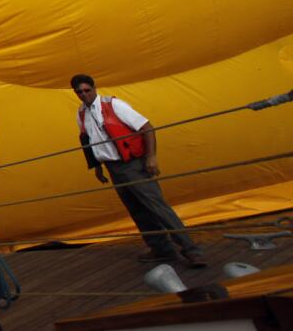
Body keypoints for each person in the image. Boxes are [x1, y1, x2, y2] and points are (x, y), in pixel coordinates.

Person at [71, 74, 206, 268]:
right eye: (79, 92)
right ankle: (161, 249)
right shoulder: (81, 113)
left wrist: (151, 157)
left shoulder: (113, 105)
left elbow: (146, 127)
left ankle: (191, 250)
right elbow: (86, 139)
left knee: (157, 206)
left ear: (94, 88)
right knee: (137, 210)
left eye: (87, 90)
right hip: (113, 168)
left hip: (132, 164)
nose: (84, 95)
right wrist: (97, 167)